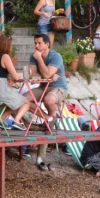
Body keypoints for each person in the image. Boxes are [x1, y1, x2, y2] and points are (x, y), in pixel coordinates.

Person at [28, 33, 67, 170]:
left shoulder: (55, 56)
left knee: (48, 100)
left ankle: (41, 157)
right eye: (35, 43)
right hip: (42, 87)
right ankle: (46, 120)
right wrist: (46, 74)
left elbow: (45, 75)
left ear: (47, 44)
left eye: (39, 43)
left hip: (58, 88)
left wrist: (40, 61)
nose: (36, 46)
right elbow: (33, 75)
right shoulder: (34, 55)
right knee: (19, 100)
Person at [0, 34, 33, 131]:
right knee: (25, 102)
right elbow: (15, 76)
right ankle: (16, 121)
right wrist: (19, 74)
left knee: (13, 102)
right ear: (7, 45)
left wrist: (9, 80)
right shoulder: (5, 57)